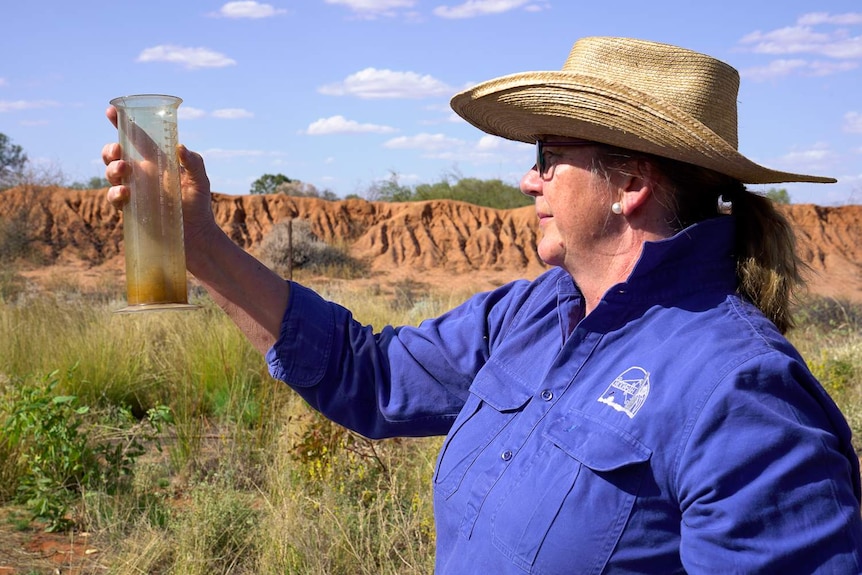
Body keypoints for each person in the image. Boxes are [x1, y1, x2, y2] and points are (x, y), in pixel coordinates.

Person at [103, 36, 862, 573]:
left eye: (545, 158)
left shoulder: (741, 396)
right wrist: (198, 246)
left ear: (629, 184)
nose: (529, 181)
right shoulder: (532, 316)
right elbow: (369, 375)